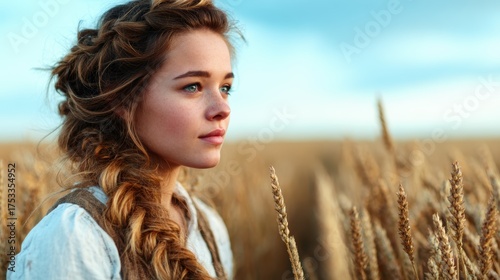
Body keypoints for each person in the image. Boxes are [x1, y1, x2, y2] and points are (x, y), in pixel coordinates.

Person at [7, 0, 239, 279]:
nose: (223, 109)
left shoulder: (209, 226)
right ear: (122, 97)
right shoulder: (73, 238)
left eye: (225, 88)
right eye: (192, 86)